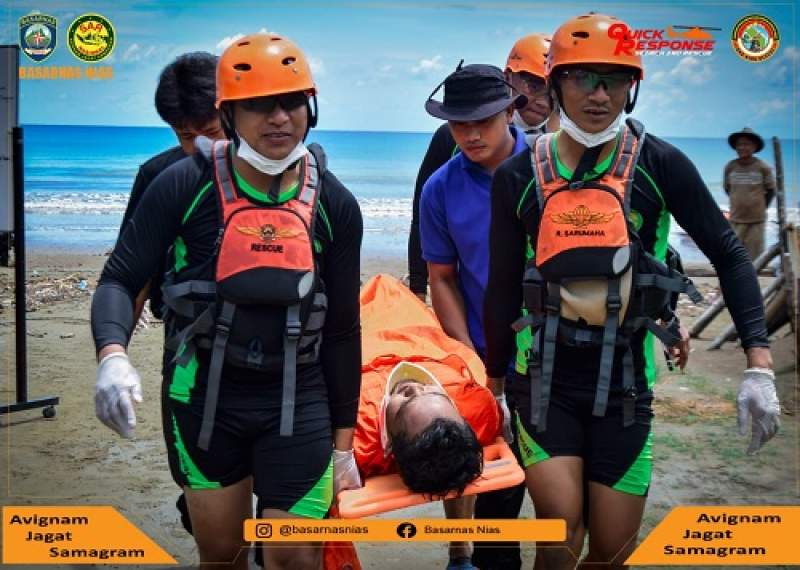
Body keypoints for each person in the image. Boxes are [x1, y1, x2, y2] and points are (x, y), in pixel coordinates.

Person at [484, 13, 781, 570]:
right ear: (555, 84)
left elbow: (730, 253)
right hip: (542, 379)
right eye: (584, 78)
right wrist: (494, 384)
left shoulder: (660, 163)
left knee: (614, 550)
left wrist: (759, 365)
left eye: (614, 79)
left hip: (626, 380)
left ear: (633, 87)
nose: (600, 94)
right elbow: (501, 285)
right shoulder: (517, 175)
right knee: (558, 533)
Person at [91, 33, 363, 570]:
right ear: (230, 112)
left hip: (299, 397)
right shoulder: (178, 184)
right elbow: (121, 278)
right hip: (205, 396)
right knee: (222, 553)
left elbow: (343, 330)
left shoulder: (335, 203)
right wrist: (112, 355)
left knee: (295, 558)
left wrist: (344, 443)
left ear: (310, 108)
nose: (279, 117)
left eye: (291, 102)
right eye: (260, 104)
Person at [409, 36, 555, 570]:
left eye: (483, 121)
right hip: (479, 346)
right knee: (490, 484)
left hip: (551, 351)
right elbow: (442, 275)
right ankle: (468, 554)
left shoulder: (550, 172)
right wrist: (467, 352)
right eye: (458, 123)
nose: (470, 133)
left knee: (552, 489)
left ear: (511, 111)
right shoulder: (441, 188)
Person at [408, 34, 554, 303]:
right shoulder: (450, 143)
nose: (542, 100)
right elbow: (422, 216)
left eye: (551, 89)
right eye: (533, 85)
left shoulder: (555, 152)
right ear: (510, 79)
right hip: (474, 306)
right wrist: (418, 288)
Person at [354, 273, 501, 494]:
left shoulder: (356, 432)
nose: (414, 384)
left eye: (405, 401)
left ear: (392, 445)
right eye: (436, 393)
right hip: (415, 328)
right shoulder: (477, 408)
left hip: (370, 337)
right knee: (386, 287)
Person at [119, 51, 225, 322]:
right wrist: (114, 356)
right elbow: (134, 277)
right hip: (186, 330)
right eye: (187, 135)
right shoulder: (159, 175)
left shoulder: (279, 174)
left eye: (212, 132)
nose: (202, 147)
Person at [724, 127, 776, 262]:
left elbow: (771, 190)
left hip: (756, 221)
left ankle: (753, 283)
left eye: (746, 144)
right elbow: (728, 189)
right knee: (734, 256)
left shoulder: (763, 167)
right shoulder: (730, 167)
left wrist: (759, 207)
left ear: (754, 147)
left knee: (755, 258)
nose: (742, 147)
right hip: (736, 219)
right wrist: (739, 202)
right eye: (739, 144)